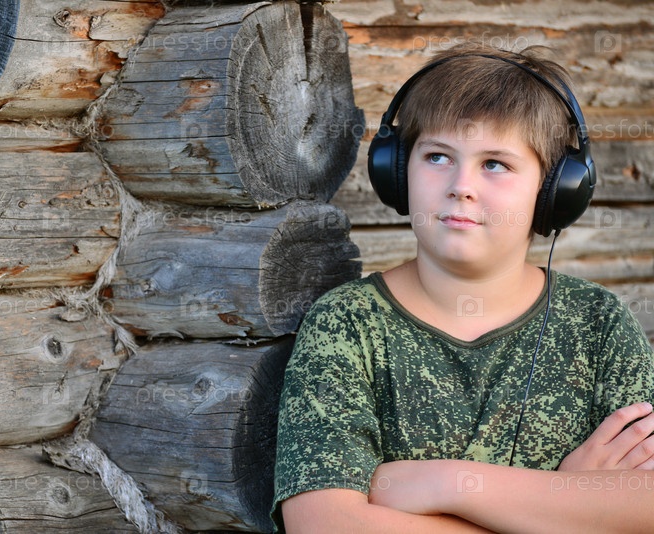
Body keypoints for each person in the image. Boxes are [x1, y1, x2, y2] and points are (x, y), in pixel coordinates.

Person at [271, 42, 654, 533]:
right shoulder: (347, 325)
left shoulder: (596, 324)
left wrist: (448, 483)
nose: (460, 186)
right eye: (437, 156)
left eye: (495, 163)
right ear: (397, 172)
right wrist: (566, 503)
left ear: (553, 191)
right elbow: (324, 523)